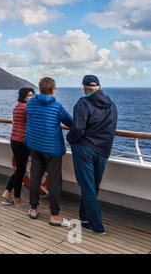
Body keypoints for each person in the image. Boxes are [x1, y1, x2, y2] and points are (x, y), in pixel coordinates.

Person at [67, 75, 117, 235]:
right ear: (100, 87)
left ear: (84, 88)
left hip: (85, 149)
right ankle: (84, 217)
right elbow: (111, 128)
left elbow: (77, 129)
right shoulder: (112, 104)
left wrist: (70, 139)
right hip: (103, 150)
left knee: (87, 187)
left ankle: (97, 226)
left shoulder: (83, 103)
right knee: (93, 186)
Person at [26, 77, 72, 226]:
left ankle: (33, 209)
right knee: (54, 181)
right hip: (52, 149)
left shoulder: (31, 103)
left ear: (40, 88)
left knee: (35, 177)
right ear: (53, 89)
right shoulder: (56, 106)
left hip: (35, 146)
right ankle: (54, 215)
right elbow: (70, 122)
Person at [2, 88, 35, 206]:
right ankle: (16, 197)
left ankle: (8, 192)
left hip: (15, 141)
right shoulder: (26, 108)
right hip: (22, 142)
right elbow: (33, 121)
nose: (31, 97)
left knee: (20, 170)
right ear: (23, 96)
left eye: (32, 95)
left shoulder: (17, 106)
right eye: (29, 95)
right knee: (21, 170)